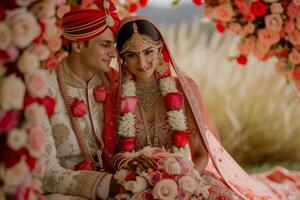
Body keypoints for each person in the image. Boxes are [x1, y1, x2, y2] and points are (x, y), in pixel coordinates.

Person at [113, 16, 300, 200]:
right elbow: (111, 155)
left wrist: (181, 183)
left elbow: (201, 155)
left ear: (160, 48)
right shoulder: (115, 96)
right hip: (133, 184)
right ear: (122, 58)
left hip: (186, 179)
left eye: (148, 52)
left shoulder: (182, 89)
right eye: (132, 55)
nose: (142, 63)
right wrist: (130, 167)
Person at [42, 1, 121, 199]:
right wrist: (111, 184)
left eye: (113, 45)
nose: (113, 53)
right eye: (105, 45)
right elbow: (44, 172)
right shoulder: (42, 88)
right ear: (78, 45)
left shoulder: (118, 83)